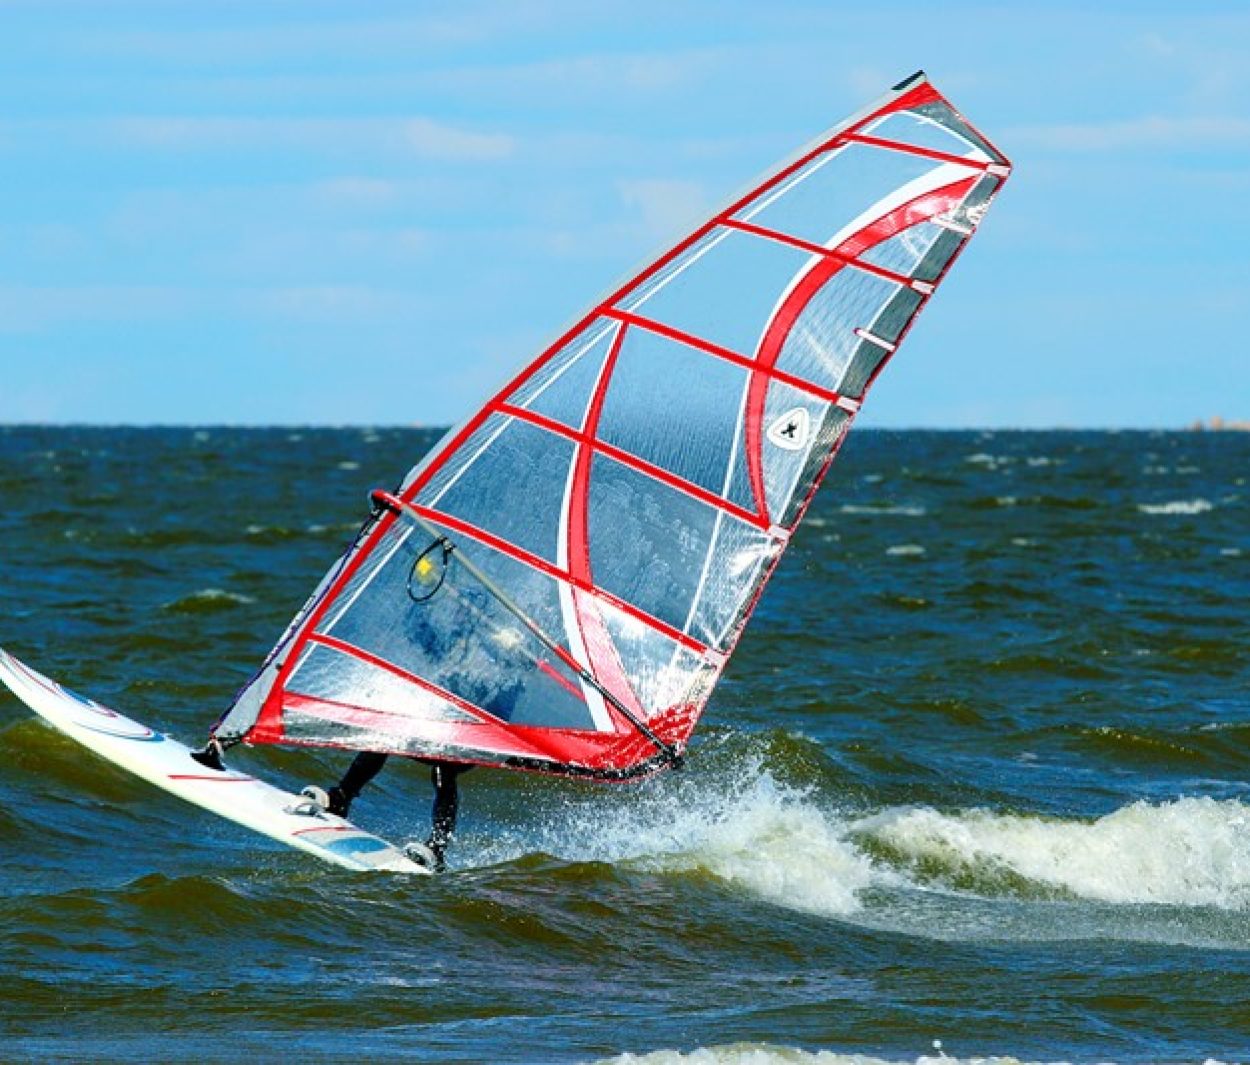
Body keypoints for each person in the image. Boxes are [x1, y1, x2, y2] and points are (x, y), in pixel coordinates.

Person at [303, 753, 470, 872]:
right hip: (437, 723)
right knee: (383, 741)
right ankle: (340, 799)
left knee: (444, 768)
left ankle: (437, 847)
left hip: (471, 732)